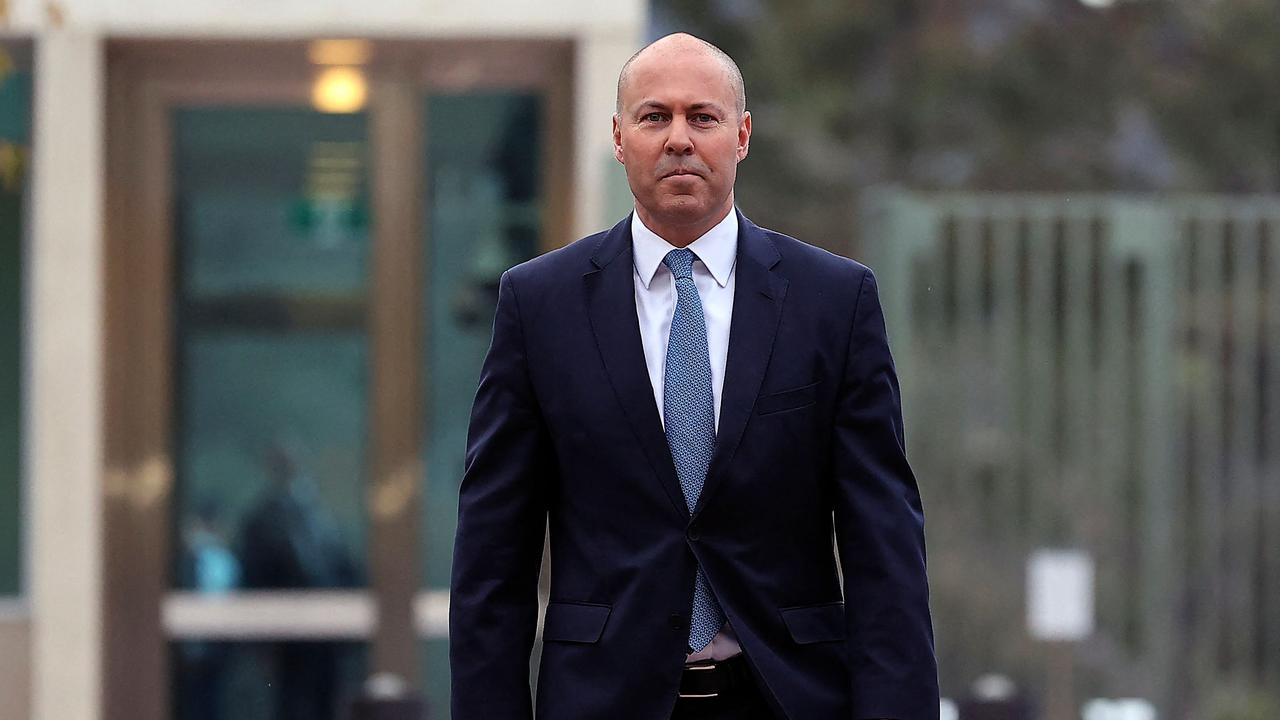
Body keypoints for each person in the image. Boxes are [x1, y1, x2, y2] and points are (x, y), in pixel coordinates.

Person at [450, 32, 937, 720]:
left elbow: (884, 546)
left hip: (788, 698)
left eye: (702, 117)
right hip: (601, 701)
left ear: (741, 136)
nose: (679, 138)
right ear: (619, 138)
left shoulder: (833, 301)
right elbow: (492, 557)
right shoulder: (539, 305)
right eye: (655, 117)